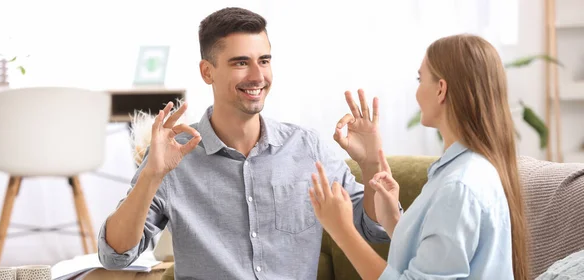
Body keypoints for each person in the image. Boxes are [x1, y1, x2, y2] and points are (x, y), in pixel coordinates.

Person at [97, 7, 396, 280]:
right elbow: (115, 256)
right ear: (207, 72)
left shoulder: (306, 147)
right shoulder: (175, 156)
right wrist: (152, 176)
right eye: (241, 62)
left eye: (263, 61)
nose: (257, 76)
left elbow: (374, 228)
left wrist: (370, 165)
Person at [309, 34, 530, 280]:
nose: (416, 92)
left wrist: (341, 230)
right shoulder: (463, 171)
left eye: (420, 79)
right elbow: (440, 261)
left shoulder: (459, 186)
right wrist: (394, 221)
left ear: (441, 89)